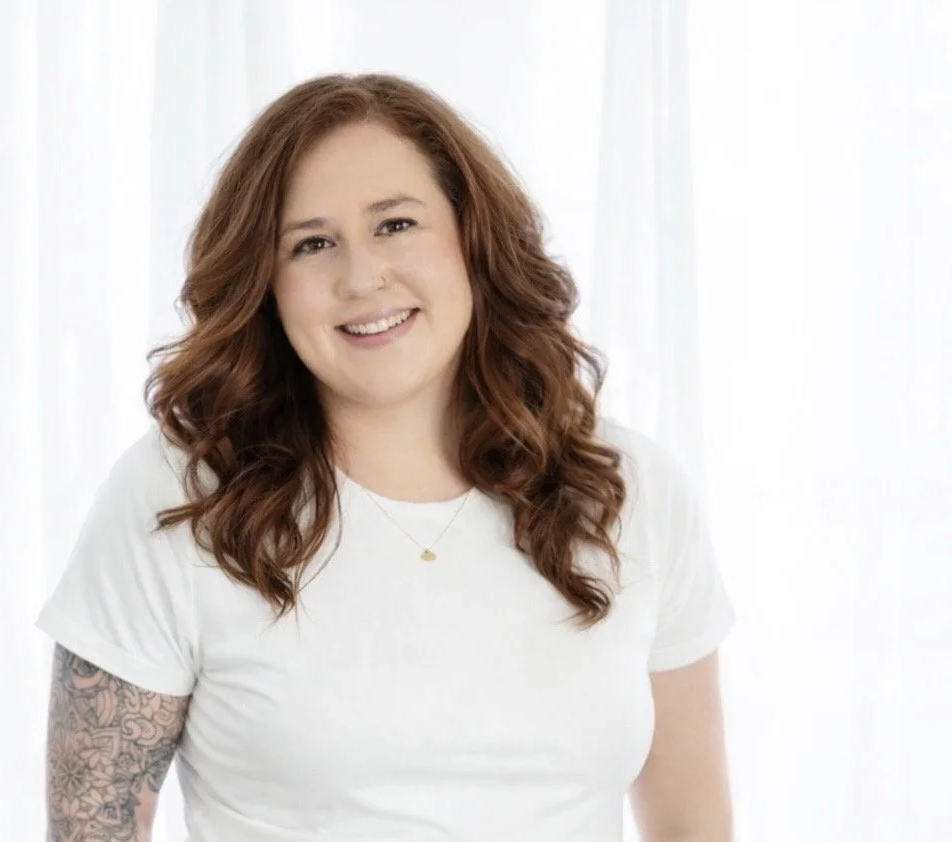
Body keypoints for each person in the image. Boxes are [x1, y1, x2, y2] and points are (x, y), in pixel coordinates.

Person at [37, 72, 736, 842]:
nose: (362, 277)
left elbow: (692, 825)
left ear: (472, 237)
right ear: (266, 285)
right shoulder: (180, 499)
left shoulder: (630, 491)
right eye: (312, 244)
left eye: (396, 225)